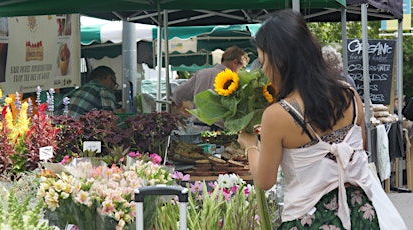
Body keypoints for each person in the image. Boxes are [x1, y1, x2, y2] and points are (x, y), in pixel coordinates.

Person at [237, 9, 406, 230]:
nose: (264, 70)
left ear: (279, 61)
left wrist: (250, 145)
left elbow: (265, 180)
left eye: (263, 61)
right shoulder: (349, 95)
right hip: (361, 216)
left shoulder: (277, 115)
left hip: (310, 220)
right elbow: (359, 150)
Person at [171, 46, 249, 129]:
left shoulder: (201, 73)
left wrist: (179, 107)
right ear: (235, 62)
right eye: (242, 67)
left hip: (196, 127)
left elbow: (178, 93)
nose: (241, 71)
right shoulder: (234, 80)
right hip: (218, 130)